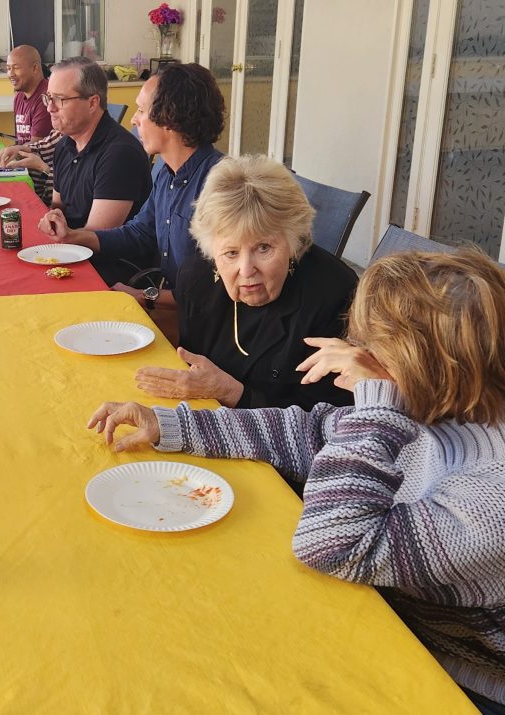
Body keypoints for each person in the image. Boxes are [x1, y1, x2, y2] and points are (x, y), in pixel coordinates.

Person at [88, 248, 505, 714]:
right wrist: (171, 426)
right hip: (379, 608)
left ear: (422, 363)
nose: (356, 354)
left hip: (452, 675)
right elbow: (307, 433)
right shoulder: (442, 409)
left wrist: (376, 405)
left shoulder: (490, 496)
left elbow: (331, 543)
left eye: (371, 349)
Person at [134, 155, 357, 410]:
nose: (246, 270)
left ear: (294, 241)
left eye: (263, 247)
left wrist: (232, 392)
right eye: (231, 253)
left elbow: (331, 417)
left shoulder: (335, 295)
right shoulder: (196, 280)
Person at [40, 62, 226, 303]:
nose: (134, 121)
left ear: (169, 117)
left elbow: (219, 288)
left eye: (141, 110)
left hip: (196, 326)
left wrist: (147, 296)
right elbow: (140, 233)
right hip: (176, 308)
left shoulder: (219, 186)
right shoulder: (168, 174)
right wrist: (73, 236)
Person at [36, 57, 150, 234]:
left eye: (59, 99)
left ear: (92, 103)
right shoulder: (65, 144)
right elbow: (57, 210)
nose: (50, 108)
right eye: (48, 98)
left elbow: (99, 239)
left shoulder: (120, 154)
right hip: (70, 249)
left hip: (104, 259)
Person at [6, 45, 51, 145]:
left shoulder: (46, 97)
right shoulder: (19, 97)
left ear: (35, 68)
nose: (11, 74)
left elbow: (36, 145)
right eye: (8, 68)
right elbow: (19, 141)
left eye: (16, 68)